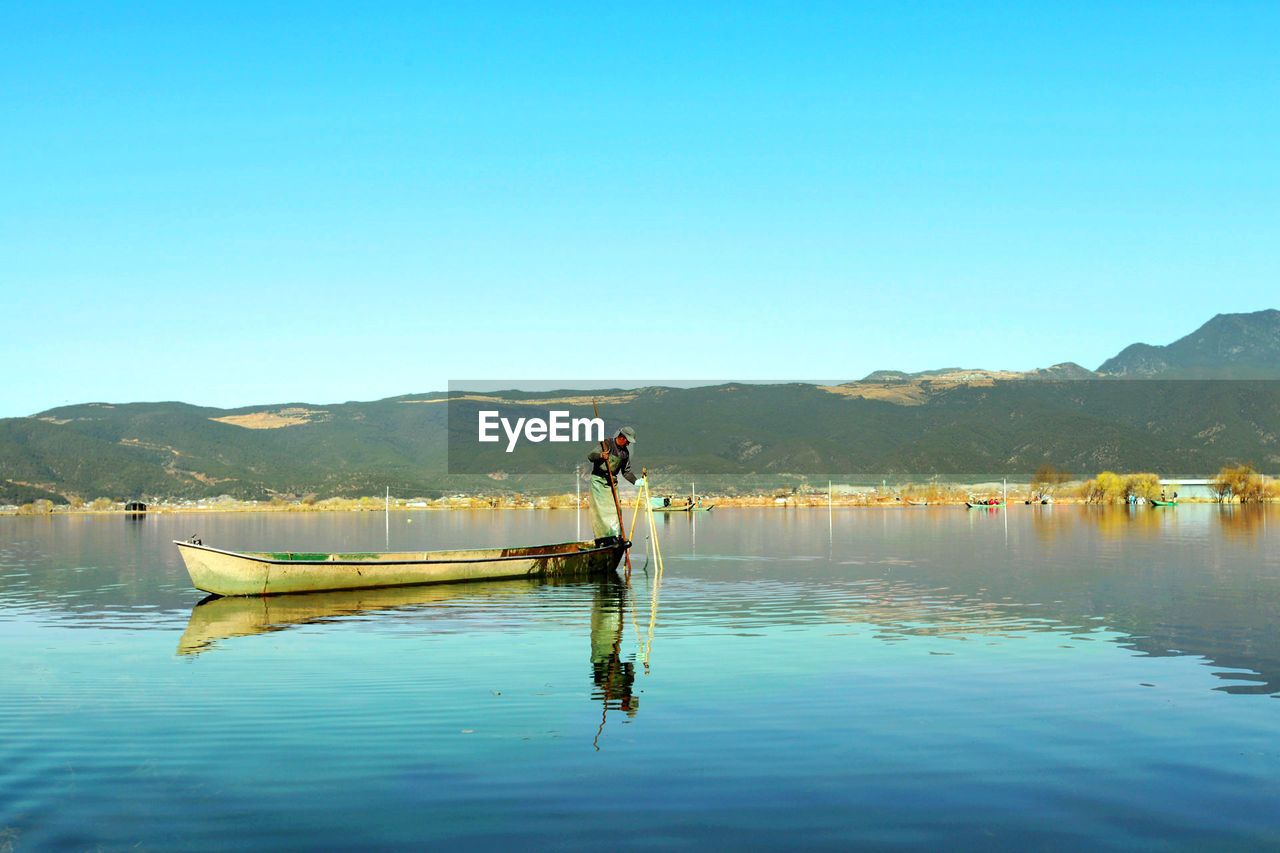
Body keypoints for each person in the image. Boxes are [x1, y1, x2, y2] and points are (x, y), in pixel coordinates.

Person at [586, 426, 643, 542]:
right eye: (627, 441)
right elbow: (590, 456)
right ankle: (603, 538)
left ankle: (616, 536)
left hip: (612, 483)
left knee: (616, 510)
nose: (628, 444)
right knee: (602, 511)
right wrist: (601, 455)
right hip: (598, 481)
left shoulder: (625, 454)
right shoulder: (606, 444)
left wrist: (636, 481)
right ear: (622, 437)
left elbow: (626, 472)